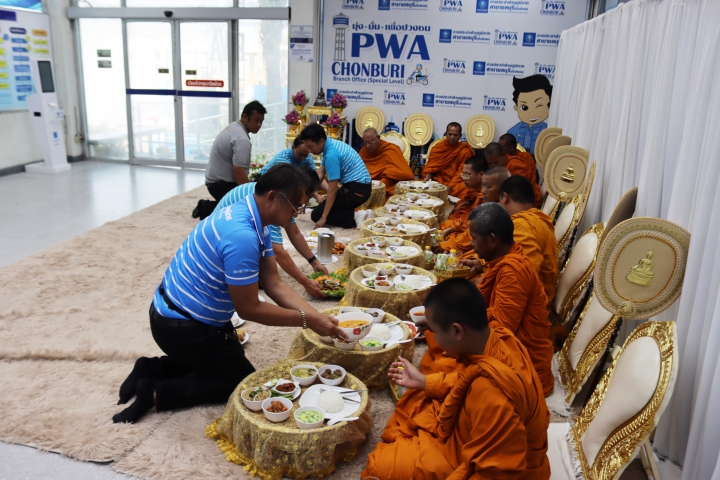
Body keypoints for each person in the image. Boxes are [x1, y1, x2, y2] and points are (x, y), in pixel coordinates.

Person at [112, 164, 346, 424]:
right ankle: (154, 392)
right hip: (180, 325)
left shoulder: (251, 213)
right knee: (240, 384)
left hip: (173, 312)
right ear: (272, 197)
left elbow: (274, 283)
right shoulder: (242, 235)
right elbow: (249, 309)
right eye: (296, 206)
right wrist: (307, 320)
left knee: (225, 359)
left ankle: (152, 367)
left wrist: (316, 318)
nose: (297, 214)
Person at [363, 278, 551, 479]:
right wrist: (423, 381)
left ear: (457, 331)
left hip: (484, 460)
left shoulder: (492, 395)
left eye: (435, 332)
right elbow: (461, 379)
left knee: (378, 466)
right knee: (416, 400)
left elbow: (494, 473)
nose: (434, 338)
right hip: (472, 428)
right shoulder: (500, 336)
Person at [466, 203, 554, 396]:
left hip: (525, 369)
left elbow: (502, 331)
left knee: (447, 365)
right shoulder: (509, 258)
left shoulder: (513, 272)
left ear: (492, 240)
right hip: (511, 353)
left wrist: (462, 323)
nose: (471, 244)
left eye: (474, 238)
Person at [216, 166, 329, 298]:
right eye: (309, 197)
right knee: (260, 280)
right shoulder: (270, 208)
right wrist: (305, 282)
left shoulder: (282, 200)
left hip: (227, 240)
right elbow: (277, 252)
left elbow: (295, 233)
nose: (298, 213)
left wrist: (313, 261)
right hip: (224, 253)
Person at [192, 101, 266, 219]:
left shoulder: (234, 126)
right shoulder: (242, 139)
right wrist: (250, 198)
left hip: (215, 181)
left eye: (261, 121)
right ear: (245, 117)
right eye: (256, 120)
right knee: (244, 209)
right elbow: (238, 172)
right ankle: (206, 207)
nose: (259, 124)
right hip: (220, 185)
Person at [498, 176, 558, 306]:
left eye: (499, 202)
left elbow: (520, 280)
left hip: (523, 305)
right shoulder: (537, 219)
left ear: (505, 198)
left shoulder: (522, 225)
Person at [300, 124, 372, 229]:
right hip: (360, 187)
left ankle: (356, 215)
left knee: (316, 215)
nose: (309, 151)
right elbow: (320, 173)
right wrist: (308, 195)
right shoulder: (330, 144)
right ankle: (360, 214)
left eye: (310, 147)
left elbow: (332, 189)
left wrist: (323, 217)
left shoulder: (331, 155)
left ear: (321, 141)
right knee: (326, 206)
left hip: (357, 191)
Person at [438, 167, 509, 264]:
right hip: (476, 241)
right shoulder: (484, 200)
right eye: (483, 186)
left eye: (488, 187)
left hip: (486, 252)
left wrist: (449, 244)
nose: (483, 191)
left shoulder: (501, 212)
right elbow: (471, 229)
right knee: (447, 228)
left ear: (503, 191)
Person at [256, 137, 328, 205]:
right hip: (264, 182)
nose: (303, 158)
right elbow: (291, 183)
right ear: (293, 148)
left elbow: (315, 177)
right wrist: (314, 195)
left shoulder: (307, 157)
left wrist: (330, 191)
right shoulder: (283, 159)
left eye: (305, 155)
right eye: (300, 154)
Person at [438, 155, 488, 240]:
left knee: (451, 233)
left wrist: (452, 228)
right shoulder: (475, 189)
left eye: (467, 175)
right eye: (463, 175)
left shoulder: (487, 195)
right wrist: (463, 203)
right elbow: (472, 198)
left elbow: (479, 224)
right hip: (470, 220)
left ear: (481, 174)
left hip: (477, 228)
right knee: (448, 222)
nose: (464, 178)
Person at [421, 123, 476, 197]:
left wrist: (450, 186)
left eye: (455, 135)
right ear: (446, 134)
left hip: (455, 182)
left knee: (466, 189)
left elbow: (461, 172)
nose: (452, 137)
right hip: (438, 179)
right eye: (450, 134)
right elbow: (431, 167)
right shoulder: (438, 148)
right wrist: (428, 176)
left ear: (460, 136)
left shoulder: (465, 151)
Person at [358, 128, 415, 197]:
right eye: (365, 143)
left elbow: (401, 172)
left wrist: (380, 185)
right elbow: (358, 170)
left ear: (378, 138)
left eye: (370, 142)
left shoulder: (391, 149)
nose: (367, 146)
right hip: (366, 184)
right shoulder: (363, 151)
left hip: (387, 184)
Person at [485, 142, 541, 207]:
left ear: (503, 155)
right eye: (490, 164)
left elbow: (518, 193)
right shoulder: (499, 168)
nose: (493, 166)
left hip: (525, 202)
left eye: (496, 162)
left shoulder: (515, 166)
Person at [506, 74, 552, 155]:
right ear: (516, 107)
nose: (531, 113)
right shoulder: (512, 132)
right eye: (524, 107)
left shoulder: (548, 131)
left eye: (539, 106)